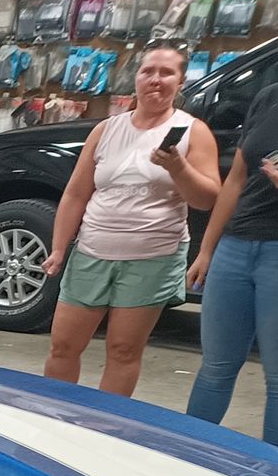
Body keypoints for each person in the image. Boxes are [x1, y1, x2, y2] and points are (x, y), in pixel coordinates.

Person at [40, 42, 221, 396]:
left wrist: (178, 167)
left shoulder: (192, 131)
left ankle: (107, 429)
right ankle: (53, 416)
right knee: (63, 346)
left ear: (181, 82)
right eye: (148, 71)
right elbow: (77, 193)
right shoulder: (106, 130)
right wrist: (59, 248)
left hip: (151, 258)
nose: (156, 80)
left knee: (123, 351)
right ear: (135, 79)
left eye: (166, 73)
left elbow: (206, 199)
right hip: (92, 251)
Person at [186, 2, 278, 450]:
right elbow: (236, 179)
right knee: (216, 365)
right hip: (236, 249)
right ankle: (187, 456)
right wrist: (207, 249)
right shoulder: (270, 97)